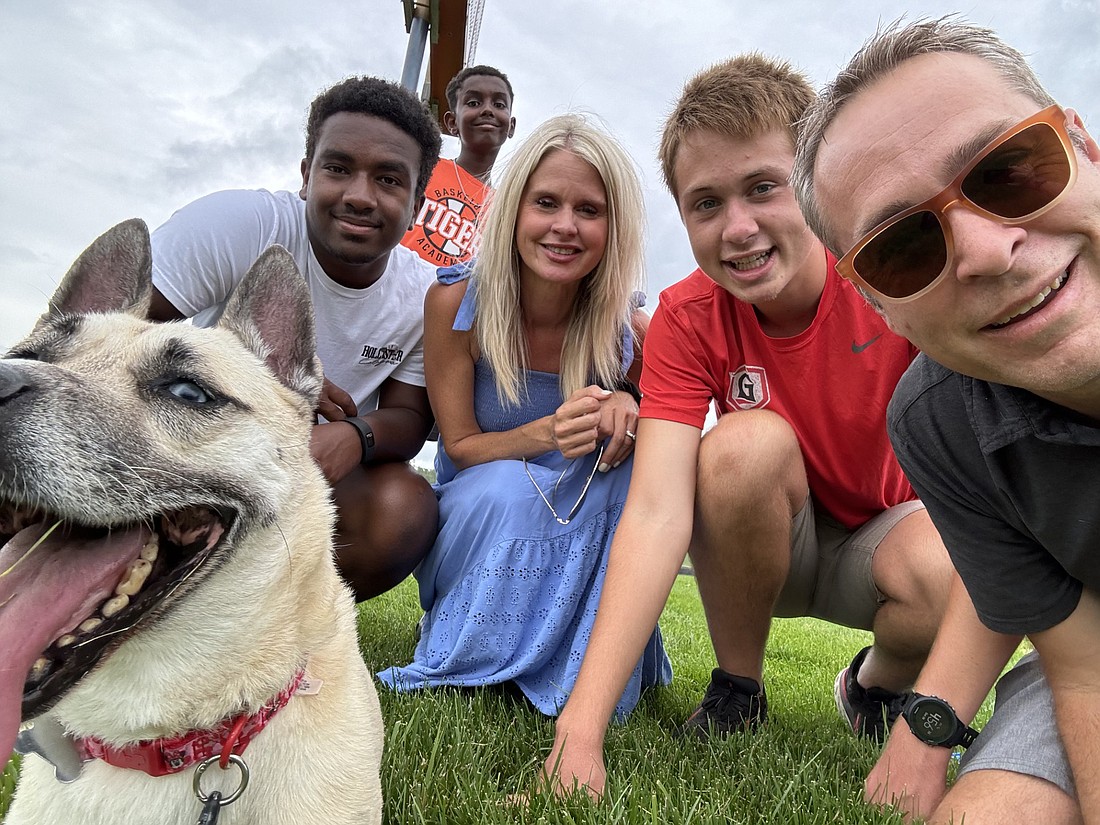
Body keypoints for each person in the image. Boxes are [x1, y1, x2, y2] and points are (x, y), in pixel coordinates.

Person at [542, 54, 955, 797]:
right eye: (705, 204)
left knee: (955, 561)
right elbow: (658, 509)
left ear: (813, 183)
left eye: (763, 188)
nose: (737, 228)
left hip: (880, 534)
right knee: (742, 444)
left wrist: (933, 729)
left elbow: (997, 496)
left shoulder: (888, 273)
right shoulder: (686, 314)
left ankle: (874, 684)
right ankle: (739, 686)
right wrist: (580, 730)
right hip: (767, 540)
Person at [794, 16, 1100, 825]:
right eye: (903, 247)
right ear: (879, 305)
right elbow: (1085, 671)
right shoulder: (940, 421)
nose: (986, 250)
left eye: (1009, 169)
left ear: (1084, 147)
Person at [377, 113, 670, 716]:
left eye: (589, 210)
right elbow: (459, 446)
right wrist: (543, 434)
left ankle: (584, 670)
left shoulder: (629, 331)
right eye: (546, 203)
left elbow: (658, 431)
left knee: (626, 477)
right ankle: (477, 646)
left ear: (613, 229)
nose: (564, 226)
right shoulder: (457, 301)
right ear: (514, 211)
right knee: (511, 485)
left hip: (576, 505)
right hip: (482, 507)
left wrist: (628, 403)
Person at [147, 76, 442, 602]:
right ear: (307, 175)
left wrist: (354, 436)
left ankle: (277, 628)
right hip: (186, 445)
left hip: (306, 469)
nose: (359, 196)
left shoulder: (423, 294)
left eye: (389, 180)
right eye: (338, 168)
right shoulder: (242, 225)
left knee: (402, 506)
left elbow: (410, 419)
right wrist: (270, 385)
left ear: (417, 203)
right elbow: (107, 333)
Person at [401, 65, 515, 267]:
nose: (488, 110)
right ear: (452, 122)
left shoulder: (507, 208)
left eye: (499, 104)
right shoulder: (423, 168)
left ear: (511, 126)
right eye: (473, 102)